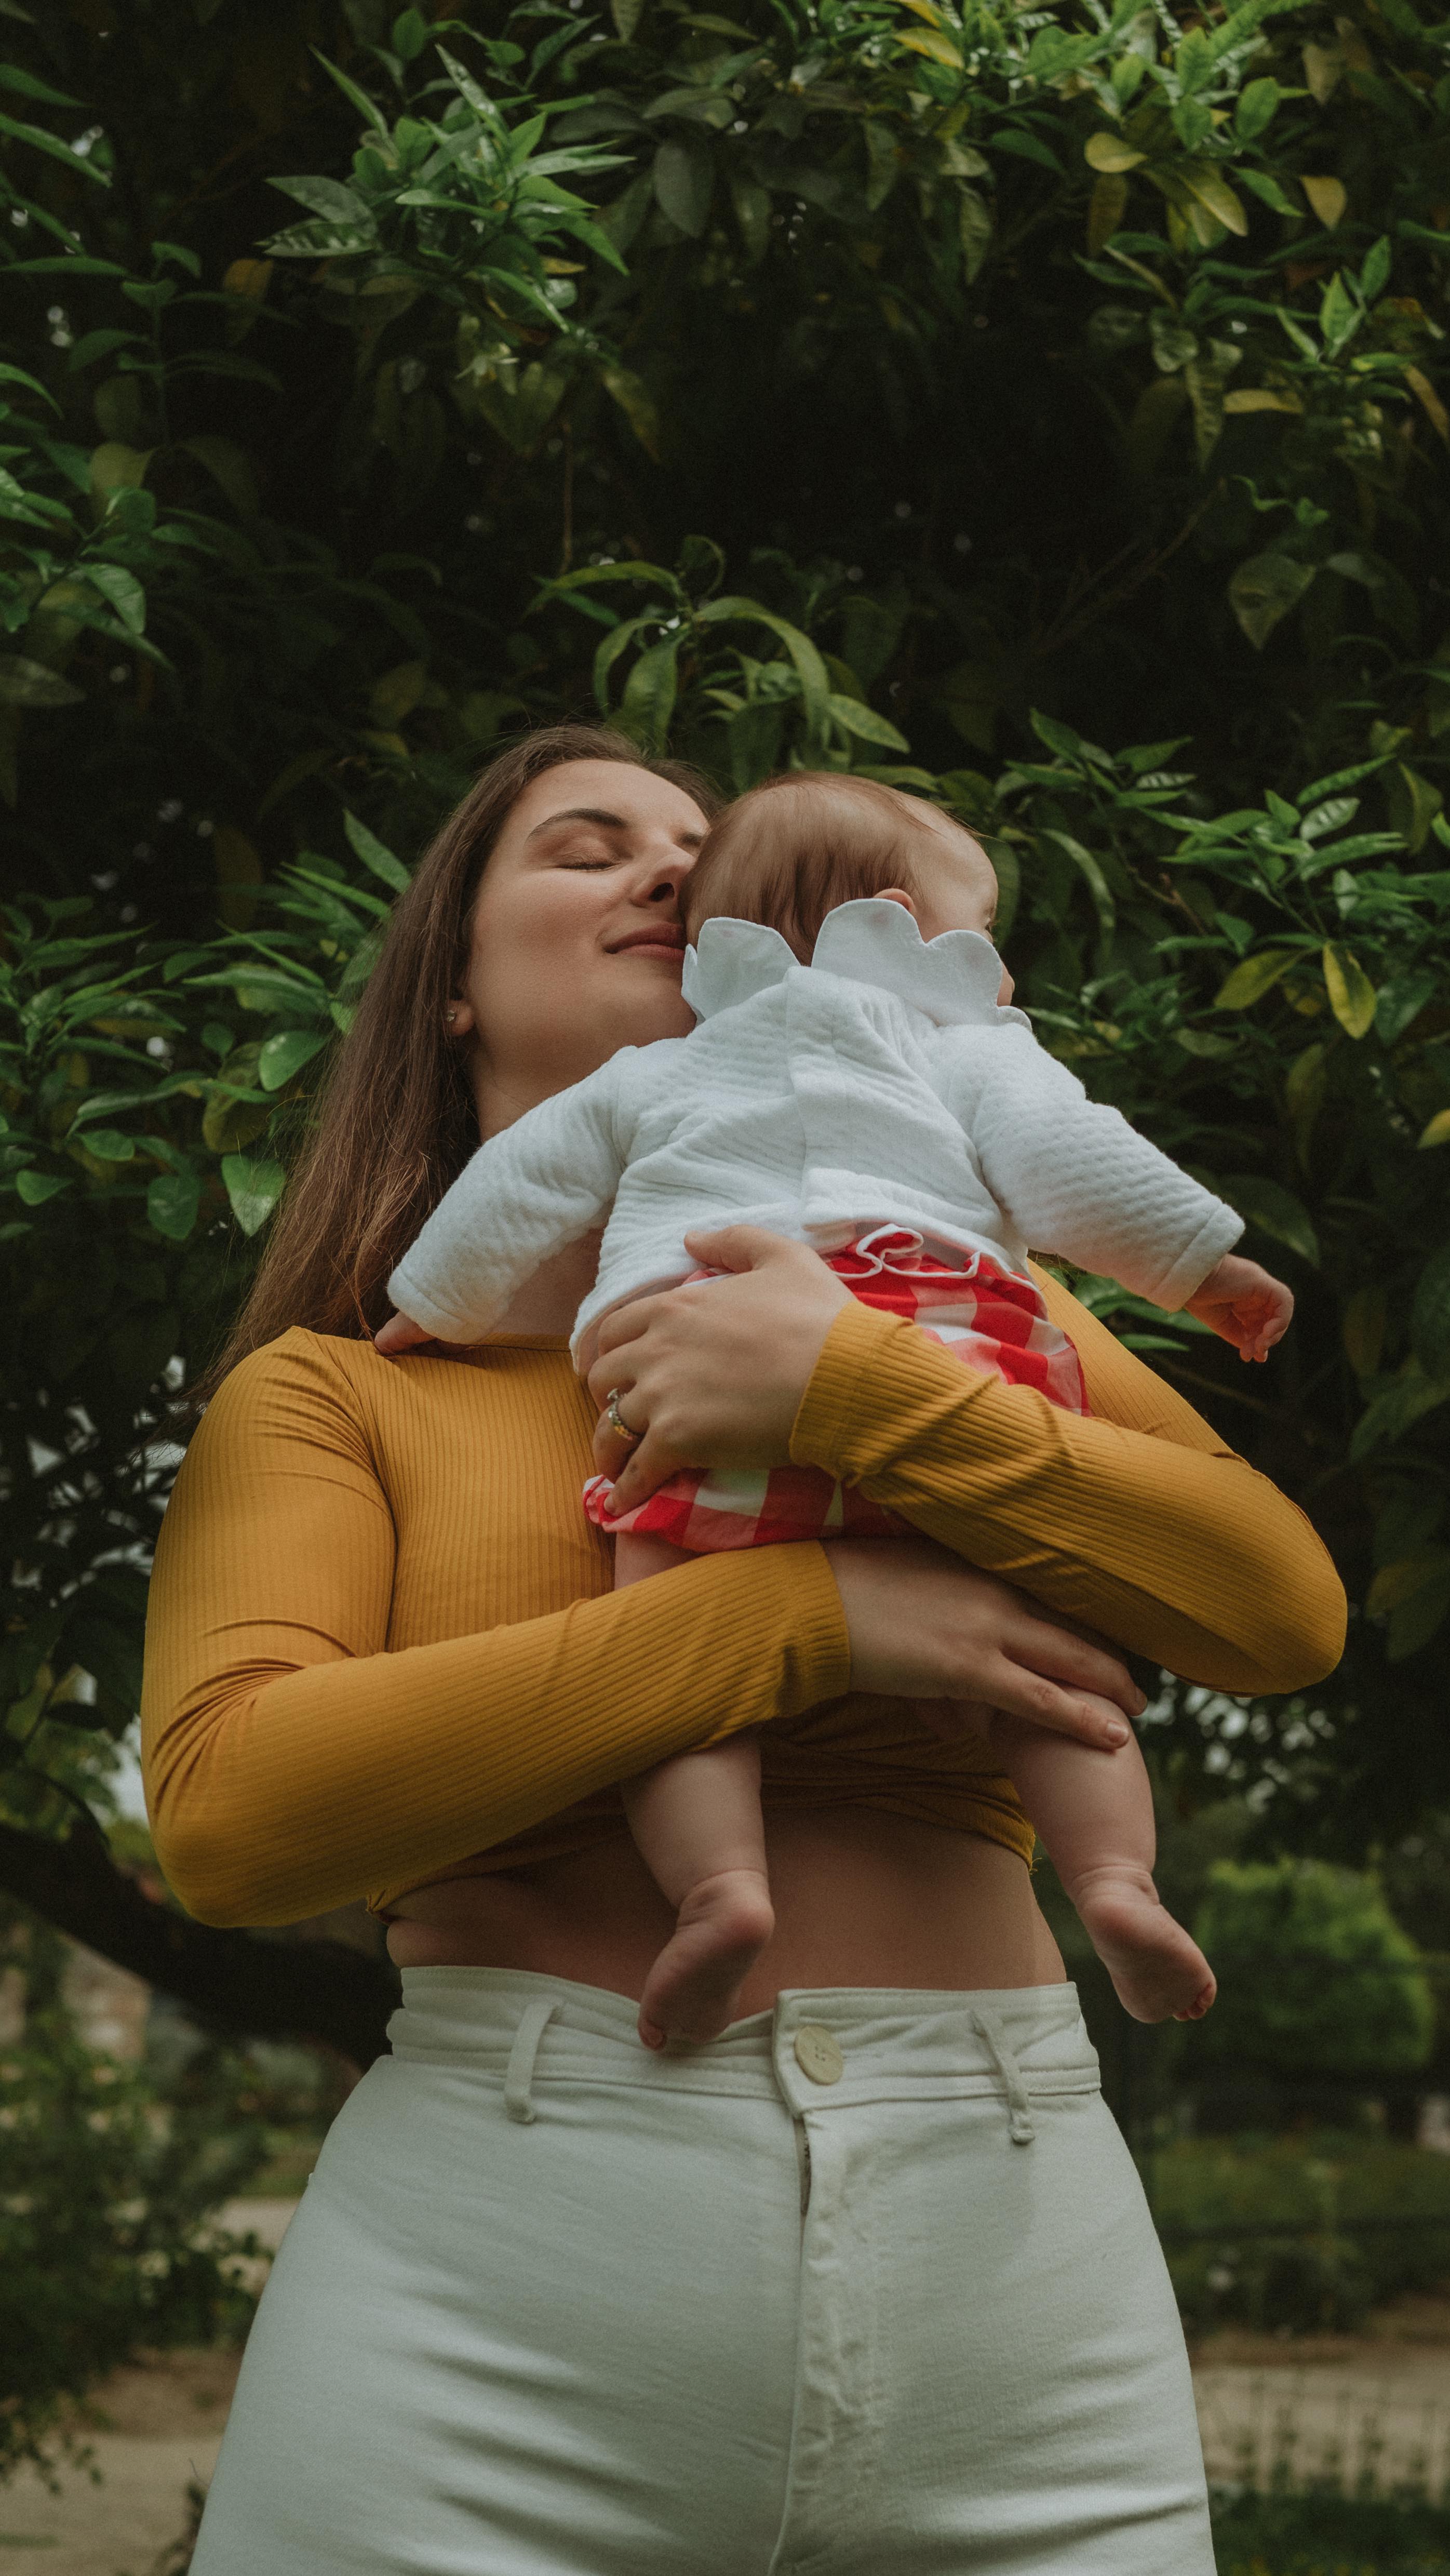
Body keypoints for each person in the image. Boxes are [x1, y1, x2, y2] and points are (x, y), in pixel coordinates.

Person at [142, 724, 1345, 2576]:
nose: (656, 872)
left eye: (692, 852)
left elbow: (1279, 1611)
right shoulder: (333, 1398)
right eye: (582, 846)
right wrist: (798, 1617)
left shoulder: (975, 1315)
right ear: (448, 992)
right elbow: (229, 1821)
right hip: (494, 2299)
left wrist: (852, 1387)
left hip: (1015, 2281)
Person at [377, 771, 1292, 2047]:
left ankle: (717, 1888)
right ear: (911, 925)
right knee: (1041, 1649)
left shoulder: (658, 1071)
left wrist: (431, 1300)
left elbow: (520, 1181)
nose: (1002, 980)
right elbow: (1075, 1154)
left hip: (691, 1354)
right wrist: (1202, 1266)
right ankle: (1117, 1884)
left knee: (665, 1631)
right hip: (956, 1328)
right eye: (980, 943)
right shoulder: (955, 1044)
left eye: (686, 860)